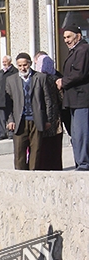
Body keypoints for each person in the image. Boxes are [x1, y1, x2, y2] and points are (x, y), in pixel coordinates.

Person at [5, 52, 52, 170]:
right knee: (19, 154)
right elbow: (8, 103)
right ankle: (21, 178)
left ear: (30, 64)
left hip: (36, 120)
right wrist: (10, 120)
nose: (22, 68)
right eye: (19, 66)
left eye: (25, 65)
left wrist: (48, 119)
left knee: (35, 152)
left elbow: (47, 100)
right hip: (19, 121)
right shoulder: (11, 80)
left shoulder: (40, 78)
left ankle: (33, 176)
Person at [56, 24, 89, 171]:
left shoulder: (83, 49)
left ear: (78, 36)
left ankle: (84, 164)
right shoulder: (75, 51)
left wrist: (63, 81)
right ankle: (80, 163)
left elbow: (79, 73)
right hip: (74, 100)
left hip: (82, 99)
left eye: (69, 37)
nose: (66, 40)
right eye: (64, 37)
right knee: (76, 135)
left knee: (81, 134)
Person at [36, 52, 65, 170]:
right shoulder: (55, 79)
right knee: (54, 146)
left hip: (40, 115)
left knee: (42, 146)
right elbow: (61, 98)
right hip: (55, 118)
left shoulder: (37, 79)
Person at [0, 55, 17, 140]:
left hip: (11, 98)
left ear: (10, 61)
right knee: (1, 117)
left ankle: (11, 132)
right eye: (3, 61)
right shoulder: (1, 72)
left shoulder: (14, 71)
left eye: (5, 61)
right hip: (1, 97)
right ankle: (2, 133)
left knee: (11, 116)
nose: (4, 63)